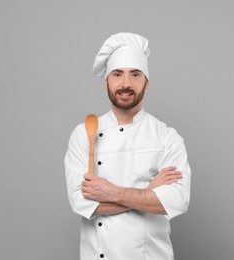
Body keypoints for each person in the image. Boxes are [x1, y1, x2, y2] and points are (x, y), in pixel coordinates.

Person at [64, 32, 191, 260]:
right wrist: (149, 192)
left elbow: (177, 200)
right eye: (117, 74)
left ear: (146, 82)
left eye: (135, 74)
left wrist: (109, 192)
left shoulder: (166, 137)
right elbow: (81, 202)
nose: (125, 84)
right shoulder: (84, 134)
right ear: (106, 83)